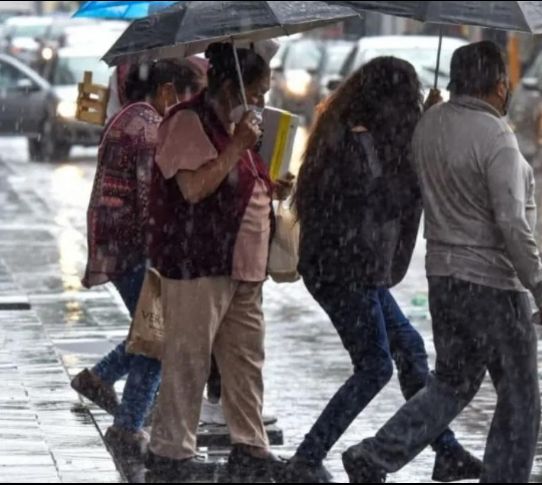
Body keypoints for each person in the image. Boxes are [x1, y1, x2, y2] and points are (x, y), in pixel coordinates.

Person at [341, 41, 542, 484]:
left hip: (444, 280)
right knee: (520, 397)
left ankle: (375, 455)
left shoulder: (428, 127)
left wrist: (430, 113)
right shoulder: (497, 137)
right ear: (500, 85)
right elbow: (510, 222)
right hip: (494, 286)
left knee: (451, 384)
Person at [284, 56, 481, 483]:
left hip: (356, 269)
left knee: (409, 350)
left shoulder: (363, 132)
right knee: (375, 365)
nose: (411, 105)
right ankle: (306, 458)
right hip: (341, 271)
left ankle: (446, 453)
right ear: (388, 99)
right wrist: (420, 134)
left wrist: (423, 126)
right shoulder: (355, 142)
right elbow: (385, 198)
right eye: (407, 97)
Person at [145, 42, 290, 481]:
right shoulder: (188, 122)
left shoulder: (236, 126)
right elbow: (194, 188)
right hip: (198, 261)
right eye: (258, 91)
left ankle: (249, 445)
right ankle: (171, 451)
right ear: (231, 85)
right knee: (188, 358)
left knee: (245, 361)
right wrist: (239, 145)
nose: (262, 100)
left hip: (244, 267)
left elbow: (239, 181)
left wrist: (271, 187)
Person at [71, 59, 204, 457]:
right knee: (158, 337)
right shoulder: (147, 127)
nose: (185, 107)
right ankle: (128, 425)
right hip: (134, 248)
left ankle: (100, 377)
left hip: (117, 244)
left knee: (150, 330)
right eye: (184, 98)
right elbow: (152, 200)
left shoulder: (127, 116)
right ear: (166, 91)